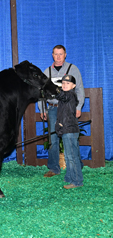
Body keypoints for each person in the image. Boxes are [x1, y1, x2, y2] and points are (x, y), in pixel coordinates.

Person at [39, 45, 85, 177]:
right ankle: (54, 168)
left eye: (61, 54)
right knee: (53, 138)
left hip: (69, 109)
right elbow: (41, 92)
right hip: (53, 109)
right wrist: (42, 109)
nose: (58, 57)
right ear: (52, 55)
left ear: (65, 55)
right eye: (56, 54)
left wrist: (78, 107)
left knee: (71, 137)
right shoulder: (47, 72)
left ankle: (77, 166)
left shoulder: (73, 69)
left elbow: (80, 89)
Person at [55, 75, 83, 188]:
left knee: (72, 157)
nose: (64, 85)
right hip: (68, 129)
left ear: (74, 86)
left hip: (69, 129)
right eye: (63, 83)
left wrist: (52, 89)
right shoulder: (66, 96)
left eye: (68, 83)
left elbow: (62, 95)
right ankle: (70, 177)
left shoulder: (70, 95)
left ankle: (77, 181)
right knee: (68, 156)